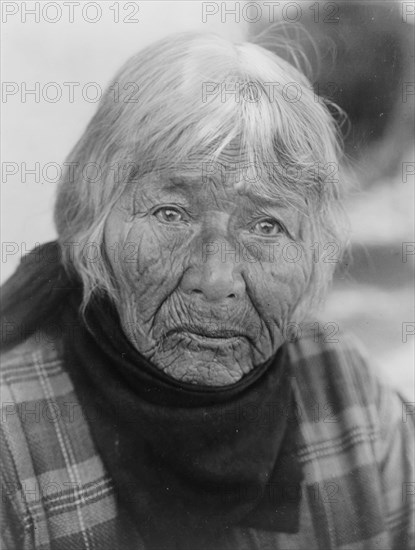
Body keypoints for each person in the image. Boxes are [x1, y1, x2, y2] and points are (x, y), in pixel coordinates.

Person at [1, 32, 413, 550]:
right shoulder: (12, 439)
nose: (217, 281)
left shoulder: (343, 387)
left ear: (314, 251)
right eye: (171, 214)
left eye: (265, 226)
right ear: (92, 226)